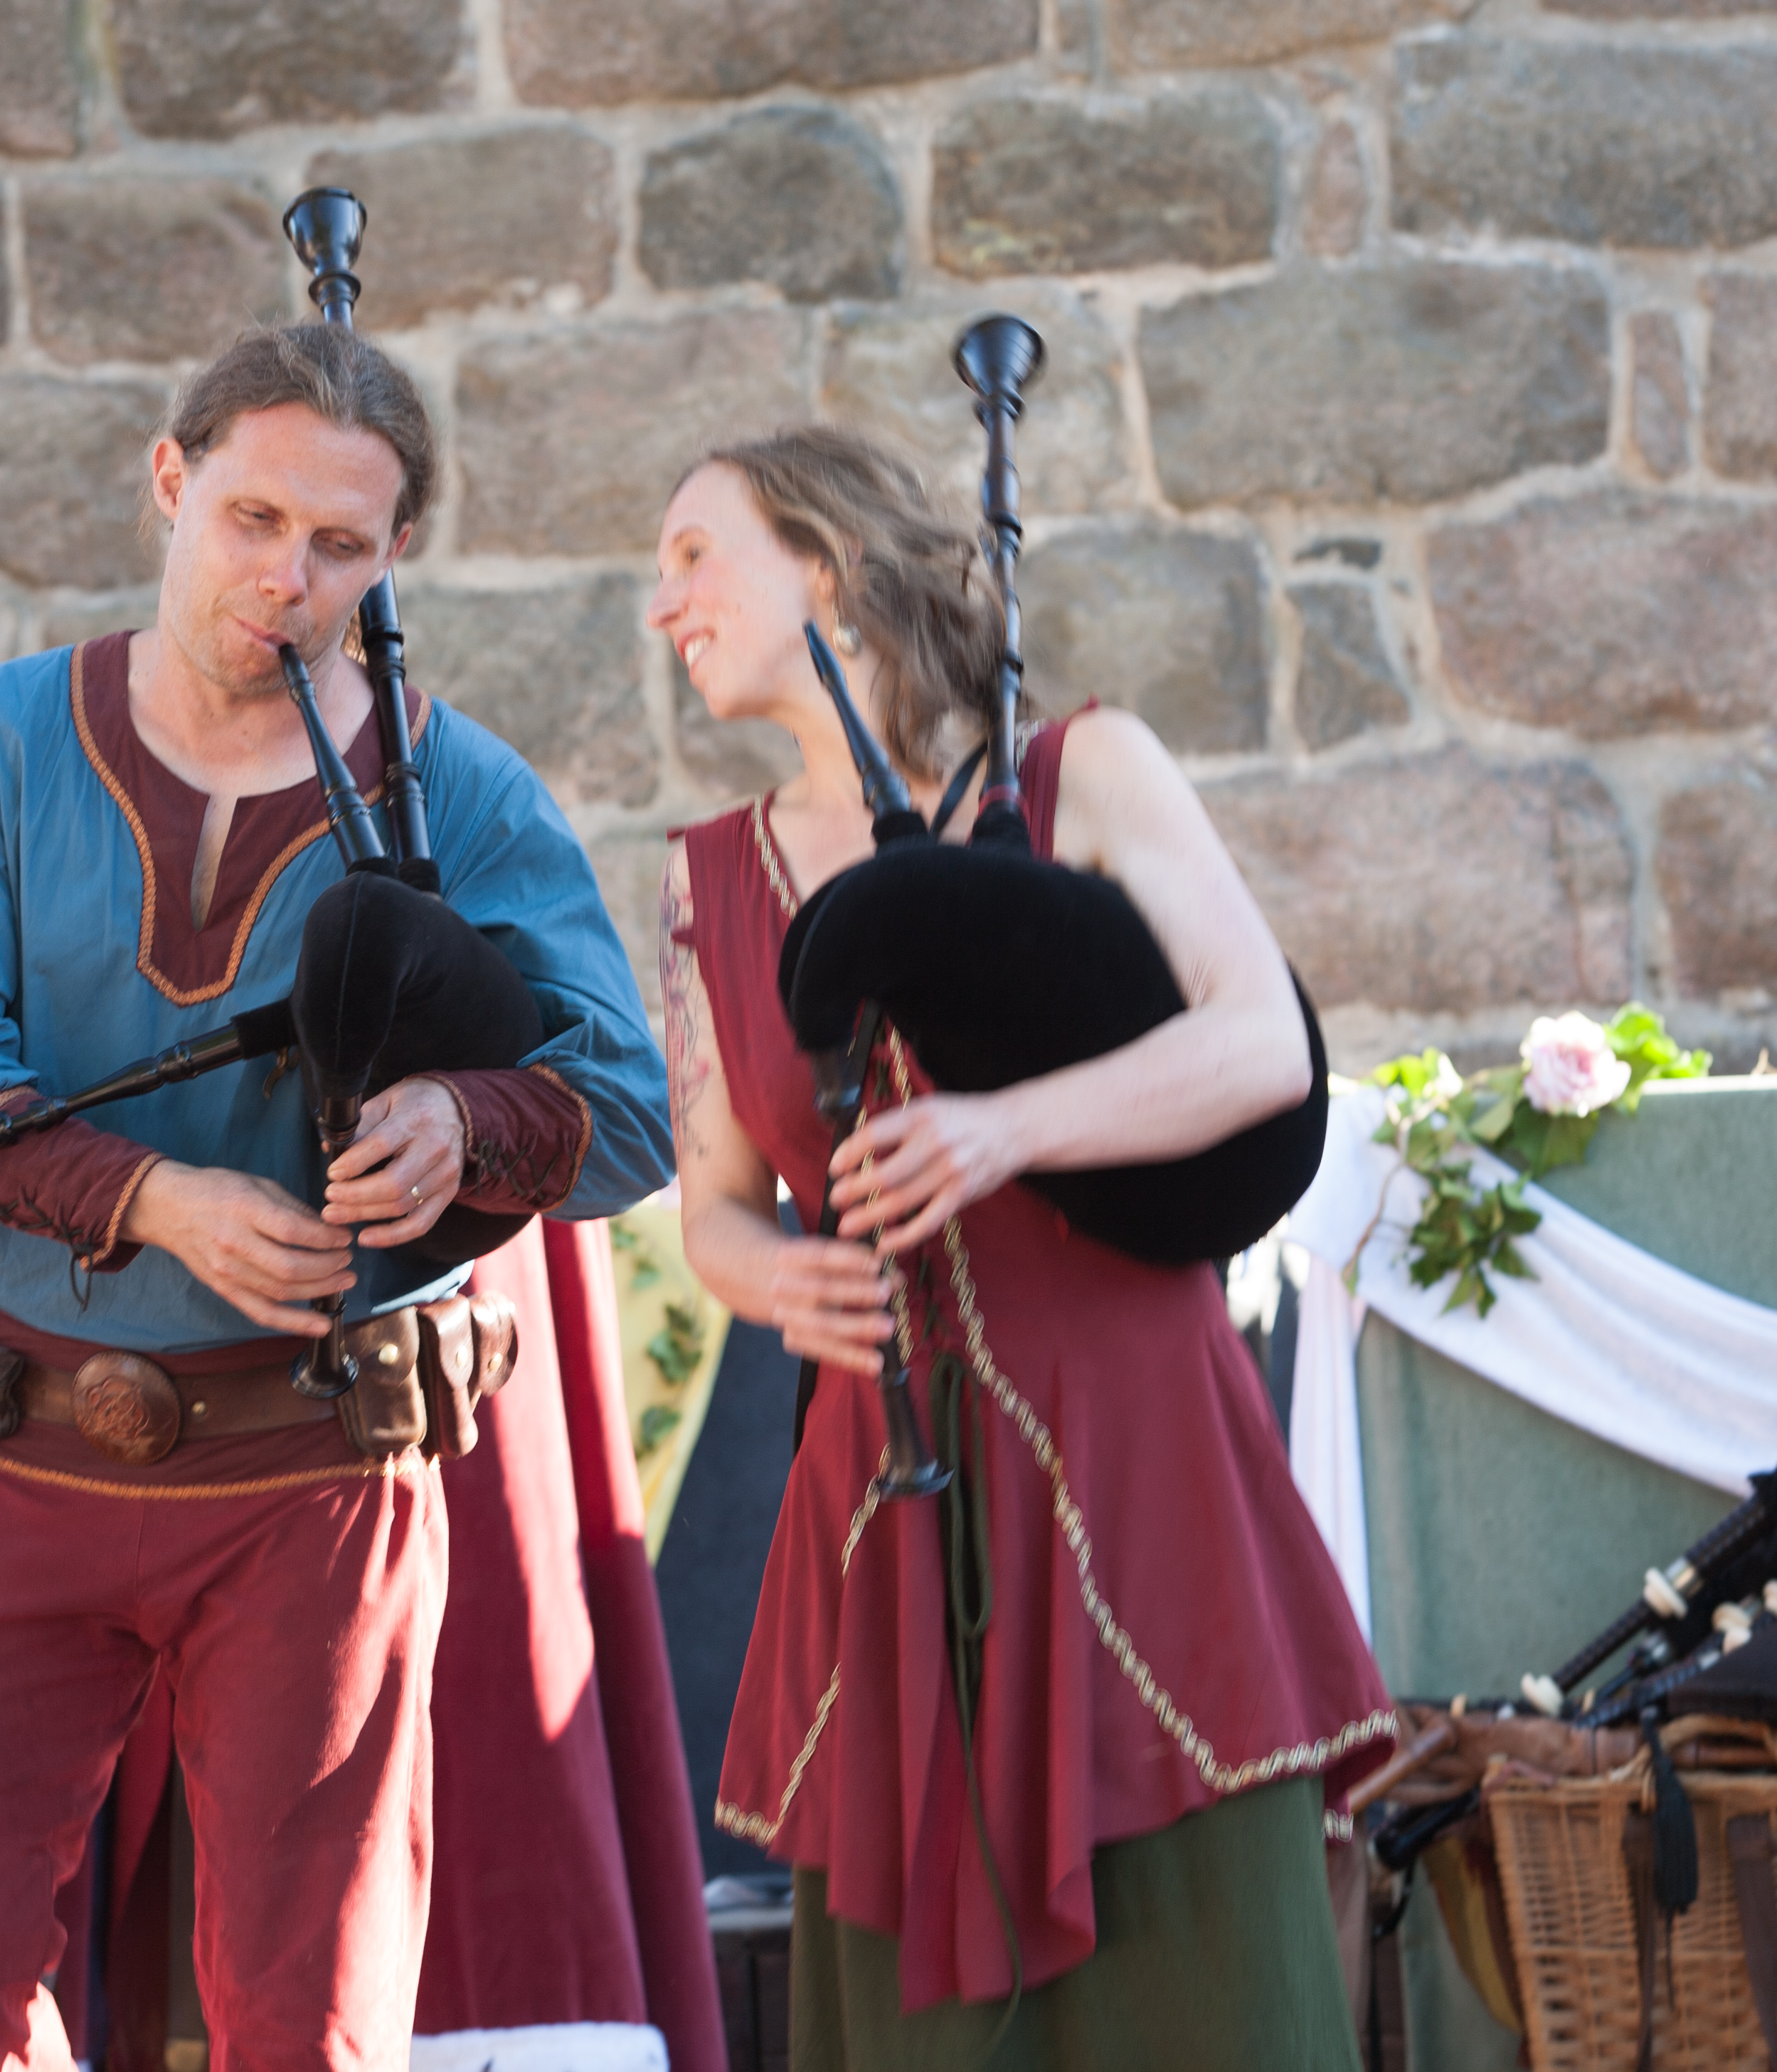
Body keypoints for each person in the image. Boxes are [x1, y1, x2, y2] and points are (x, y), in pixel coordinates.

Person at [0, 321, 671, 2070]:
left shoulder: (454, 789)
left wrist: (460, 1116)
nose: (290, 578)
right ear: (172, 479)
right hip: (23, 1439)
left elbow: (625, 1115)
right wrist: (154, 1199)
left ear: (394, 556)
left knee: (315, 2020)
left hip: (313, 1469)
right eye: (254, 518)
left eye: (342, 544)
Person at [649, 427, 1393, 2066]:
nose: (665, 603)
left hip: (1137, 1456)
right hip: (887, 1498)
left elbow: (1263, 1046)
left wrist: (1004, 1130)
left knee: (1201, 1992)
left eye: (696, 555)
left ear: (827, 565)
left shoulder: (1082, 773)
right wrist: (777, 1279)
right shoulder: (710, 884)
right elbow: (716, 1208)